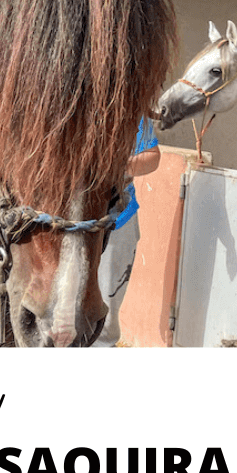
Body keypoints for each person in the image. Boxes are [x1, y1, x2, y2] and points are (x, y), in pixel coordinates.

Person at [94, 119, 161, 346]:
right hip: (67, 225)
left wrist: (113, 168)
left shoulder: (130, 107)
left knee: (105, 312)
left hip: (117, 222)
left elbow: (152, 156)